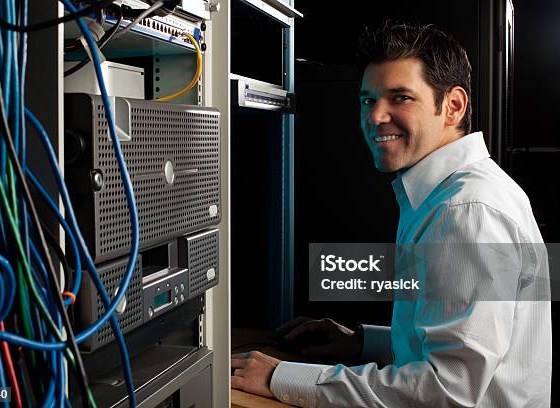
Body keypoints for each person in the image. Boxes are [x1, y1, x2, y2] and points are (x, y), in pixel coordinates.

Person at [230, 21, 552, 407]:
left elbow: (447, 390)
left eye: (400, 98)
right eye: (369, 100)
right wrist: (361, 341)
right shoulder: (449, 193)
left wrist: (282, 376)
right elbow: (462, 343)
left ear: (453, 106)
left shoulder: (465, 211)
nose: (376, 116)